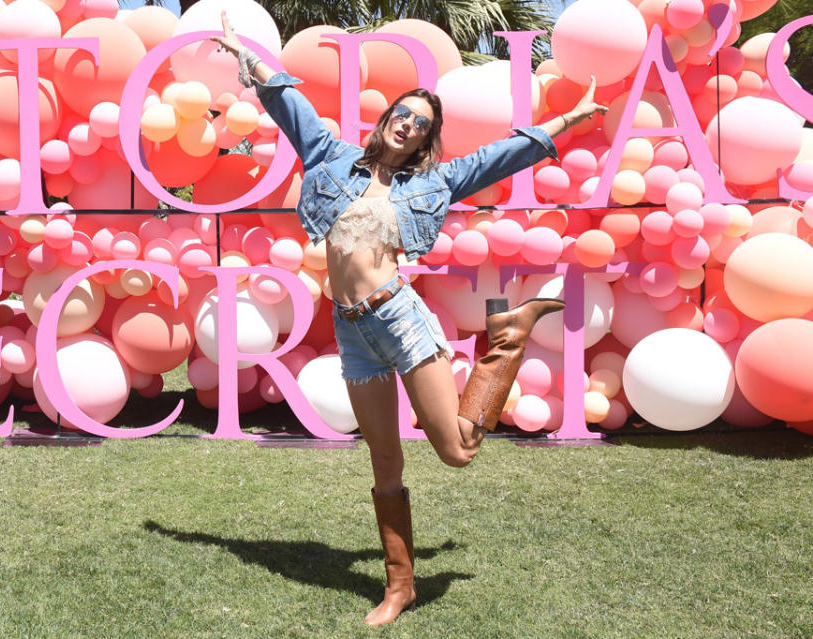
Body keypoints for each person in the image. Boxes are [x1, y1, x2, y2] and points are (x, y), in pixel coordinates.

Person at [212, 14, 608, 626]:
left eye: (422, 124)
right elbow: (287, 99)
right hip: (353, 329)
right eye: (405, 112)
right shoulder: (330, 157)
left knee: (457, 449)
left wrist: (568, 120)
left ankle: (507, 341)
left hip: (400, 319)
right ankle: (401, 587)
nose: (409, 123)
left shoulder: (434, 182)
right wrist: (246, 56)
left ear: (426, 141)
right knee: (384, 462)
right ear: (387, 118)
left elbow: (503, 155)